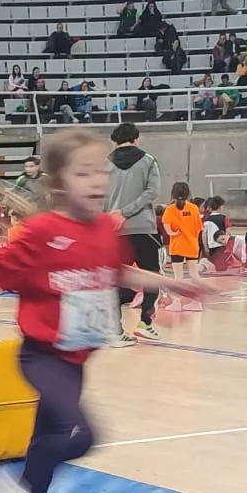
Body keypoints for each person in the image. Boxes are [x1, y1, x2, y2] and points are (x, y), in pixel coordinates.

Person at [0, 128, 216, 493]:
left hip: (77, 360)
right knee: (81, 434)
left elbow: (119, 271)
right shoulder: (42, 232)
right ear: (59, 182)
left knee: (45, 453)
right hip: (42, 356)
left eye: (102, 171)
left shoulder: (104, 229)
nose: (98, 180)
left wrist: (175, 282)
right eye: (84, 172)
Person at [106, 121, 163, 341]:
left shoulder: (104, 164)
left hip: (113, 230)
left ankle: (114, 330)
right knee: (152, 276)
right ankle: (145, 323)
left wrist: (111, 217)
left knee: (115, 278)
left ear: (114, 141)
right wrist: (127, 211)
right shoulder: (148, 160)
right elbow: (152, 192)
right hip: (142, 227)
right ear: (136, 139)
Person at [160, 182, 202, 300]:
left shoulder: (169, 209)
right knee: (194, 276)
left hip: (177, 245)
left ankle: (177, 302)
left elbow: (168, 230)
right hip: (192, 245)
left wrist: (174, 233)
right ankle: (196, 301)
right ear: (188, 194)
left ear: (173, 194)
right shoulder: (194, 209)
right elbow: (199, 228)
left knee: (178, 277)